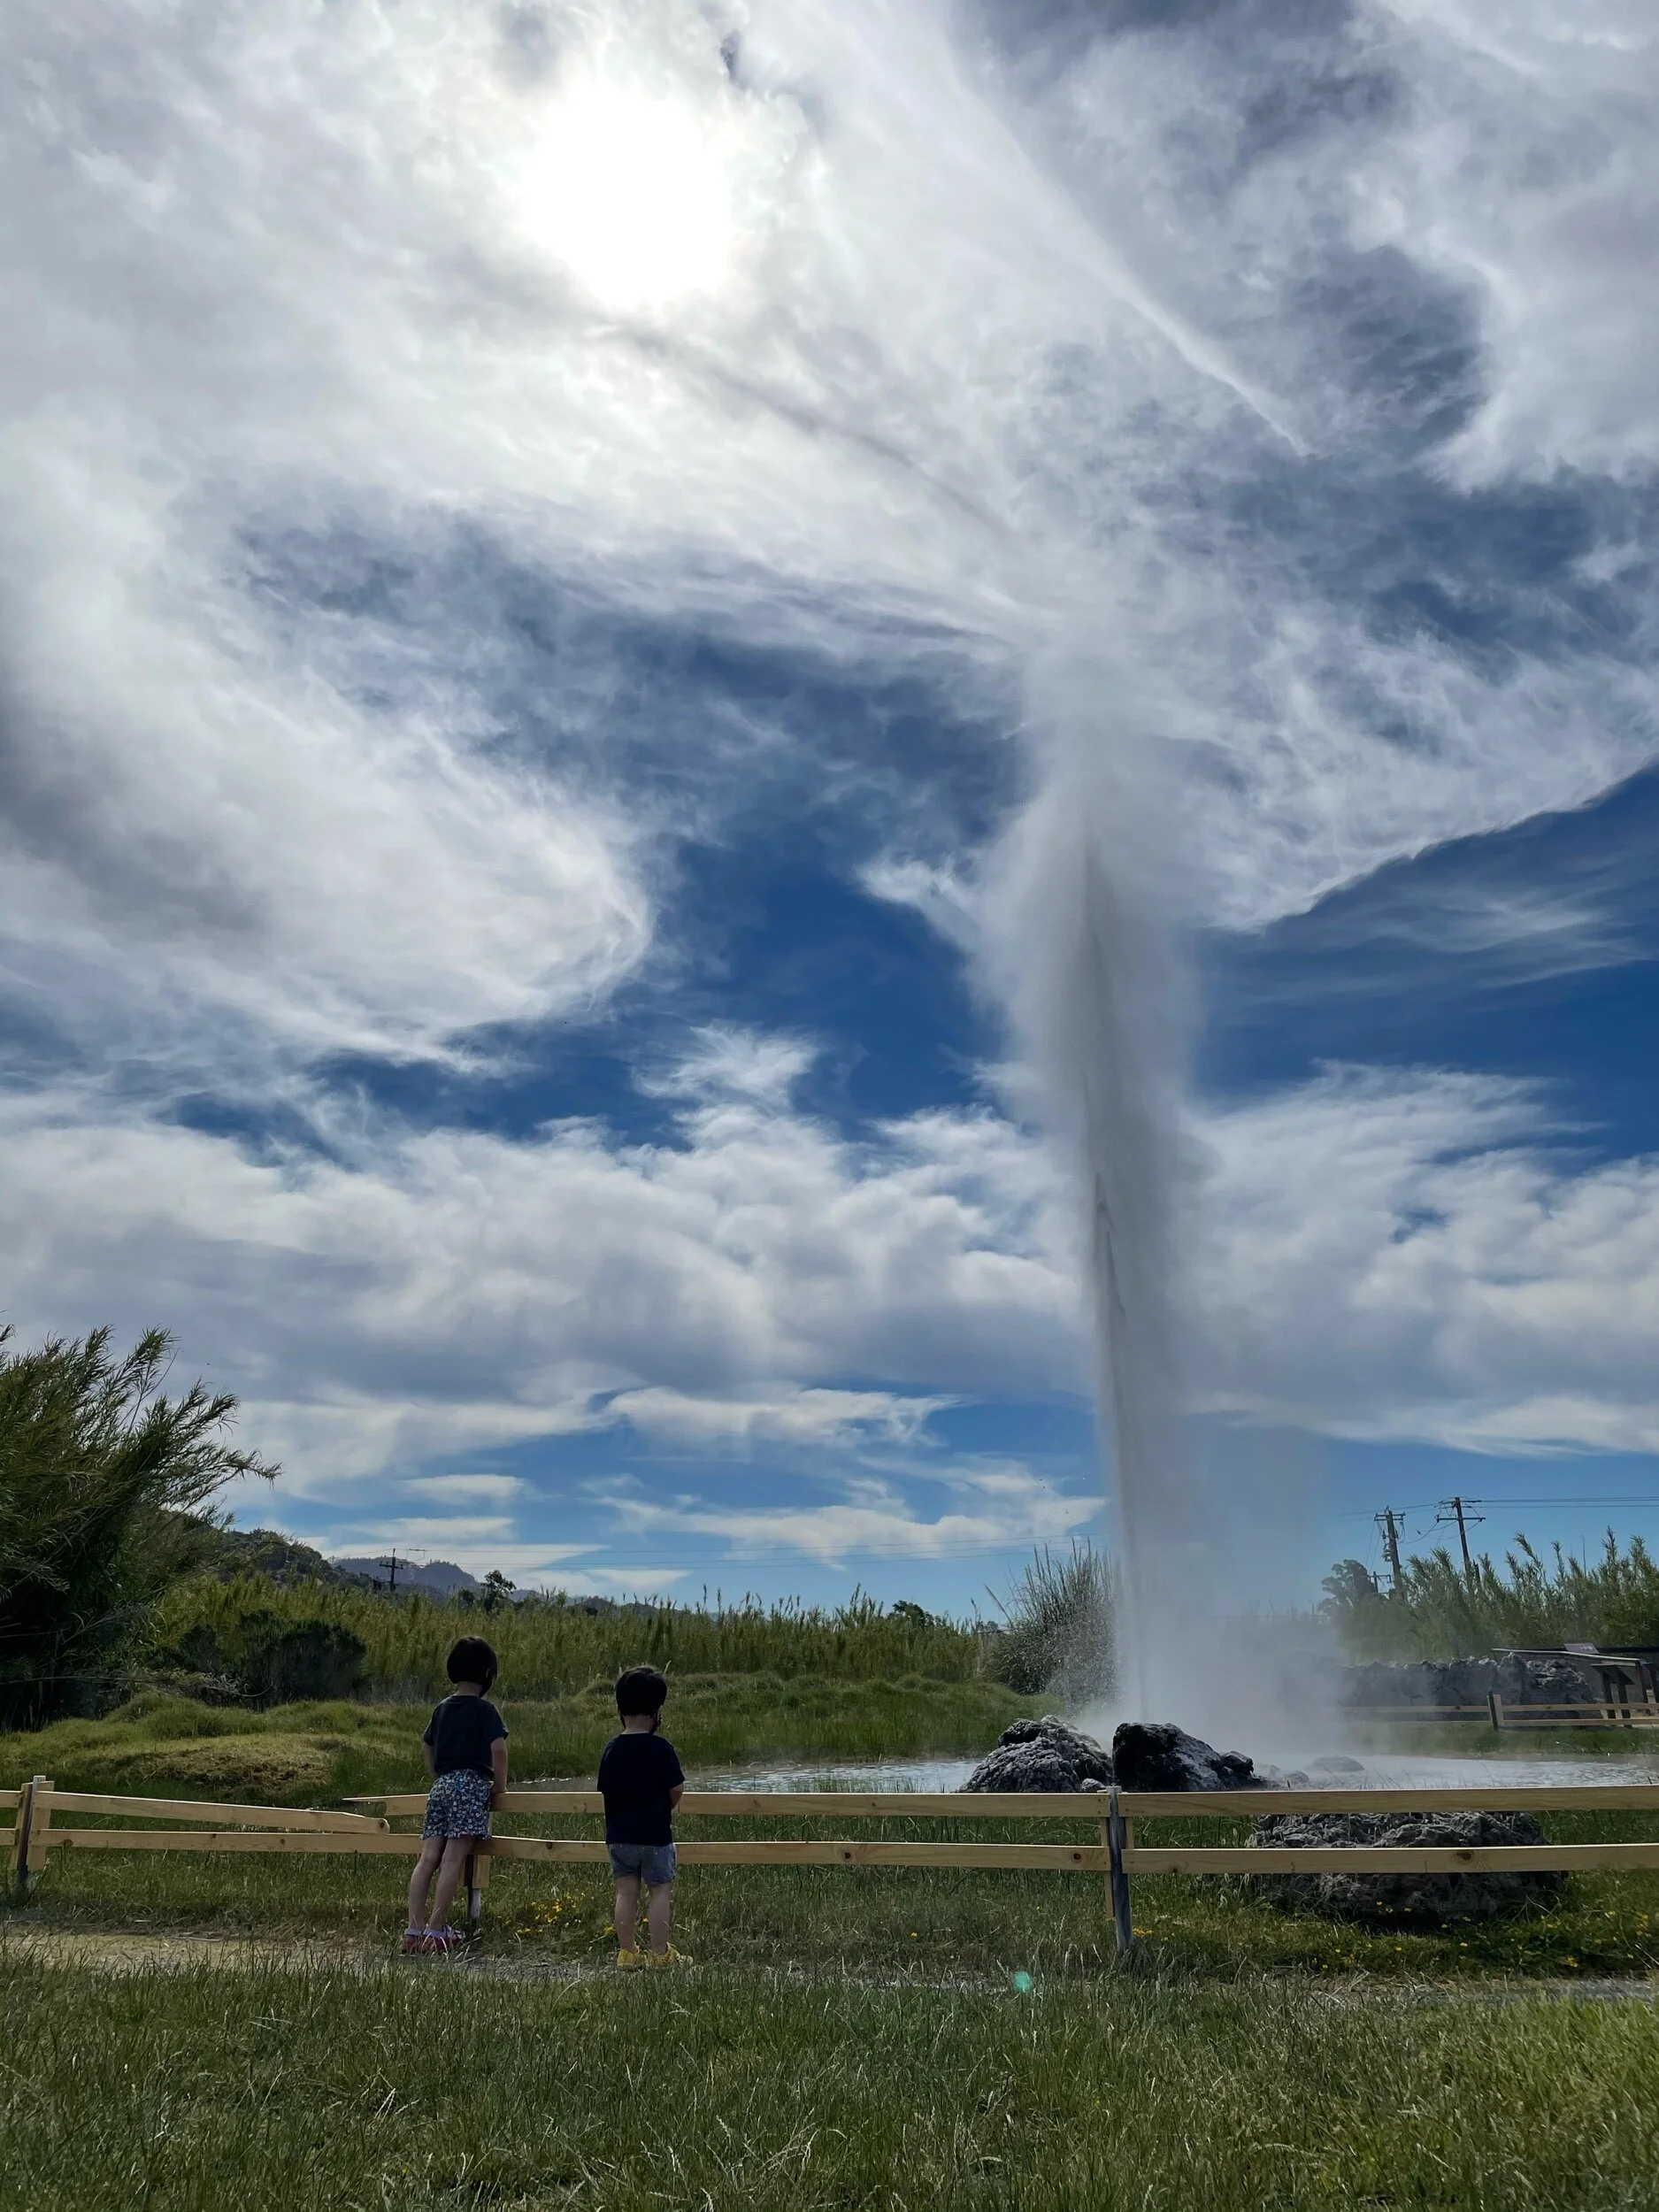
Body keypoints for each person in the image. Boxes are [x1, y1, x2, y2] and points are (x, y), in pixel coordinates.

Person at [404, 1635, 508, 1955]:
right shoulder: (486, 1711)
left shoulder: (442, 1709)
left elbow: (427, 1743)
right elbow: (499, 1749)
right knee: (453, 1859)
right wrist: (499, 1786)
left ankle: (414, 1929)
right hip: (470, 1786)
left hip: (442, 1786)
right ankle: (437, 1929)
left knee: (428, 1857)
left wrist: (436, 1775)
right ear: (489, 1676)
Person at [598, 1664, 688, 1969]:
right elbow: (677, 1789)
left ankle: (627, 1953)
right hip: (655, 1834)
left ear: (620, 1709)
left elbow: (606, 1790)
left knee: (625, 1892)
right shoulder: (662, 1749)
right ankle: (660, 1954)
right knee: (659, 1891)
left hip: (620, 1835)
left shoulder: (611, 1749)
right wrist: (666, 1804)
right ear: (656, 1712)